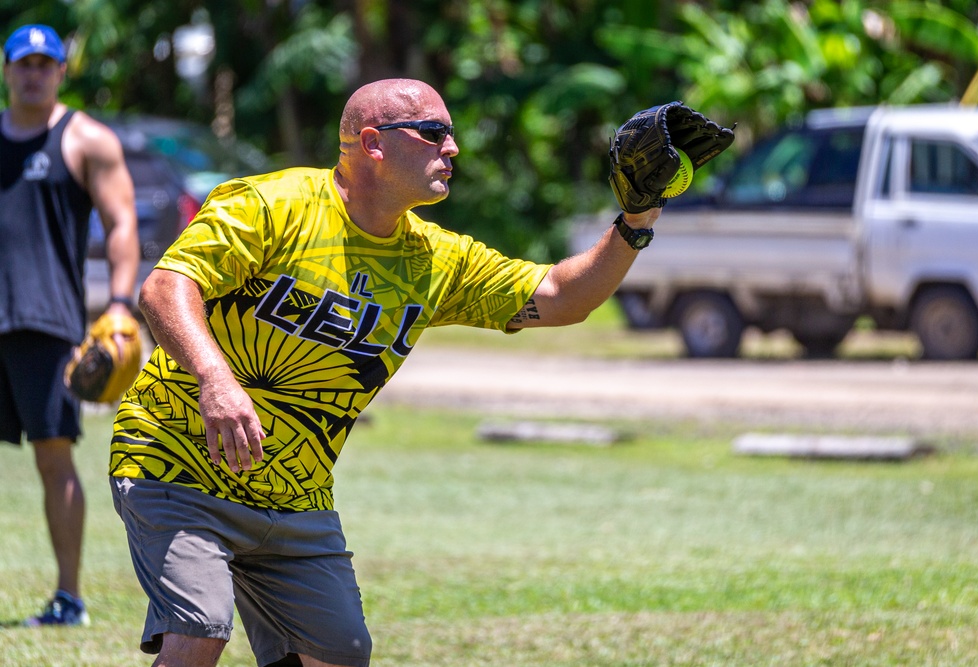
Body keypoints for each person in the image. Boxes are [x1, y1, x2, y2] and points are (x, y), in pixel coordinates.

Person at [108, 78, 659, 667]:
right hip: (176, 464)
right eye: (433, 133)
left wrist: (635, 217)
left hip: (294, 493)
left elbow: (561, 297)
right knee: (200, 630)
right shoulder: (272, 205)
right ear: (372, 142)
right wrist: (216, 380)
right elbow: (166, 287)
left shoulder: (434, 260)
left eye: (452, 134)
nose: (452, 148)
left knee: (340, 655)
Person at [0, 24, 140, 626]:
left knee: (52, 458)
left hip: (46, 319)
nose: (33, 73)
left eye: (44, 63)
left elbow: (121, 223)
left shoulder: (86, 139)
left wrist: (118, 303)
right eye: (22, 63)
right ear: (6, 70)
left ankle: (69, 597)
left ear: (61, 71)